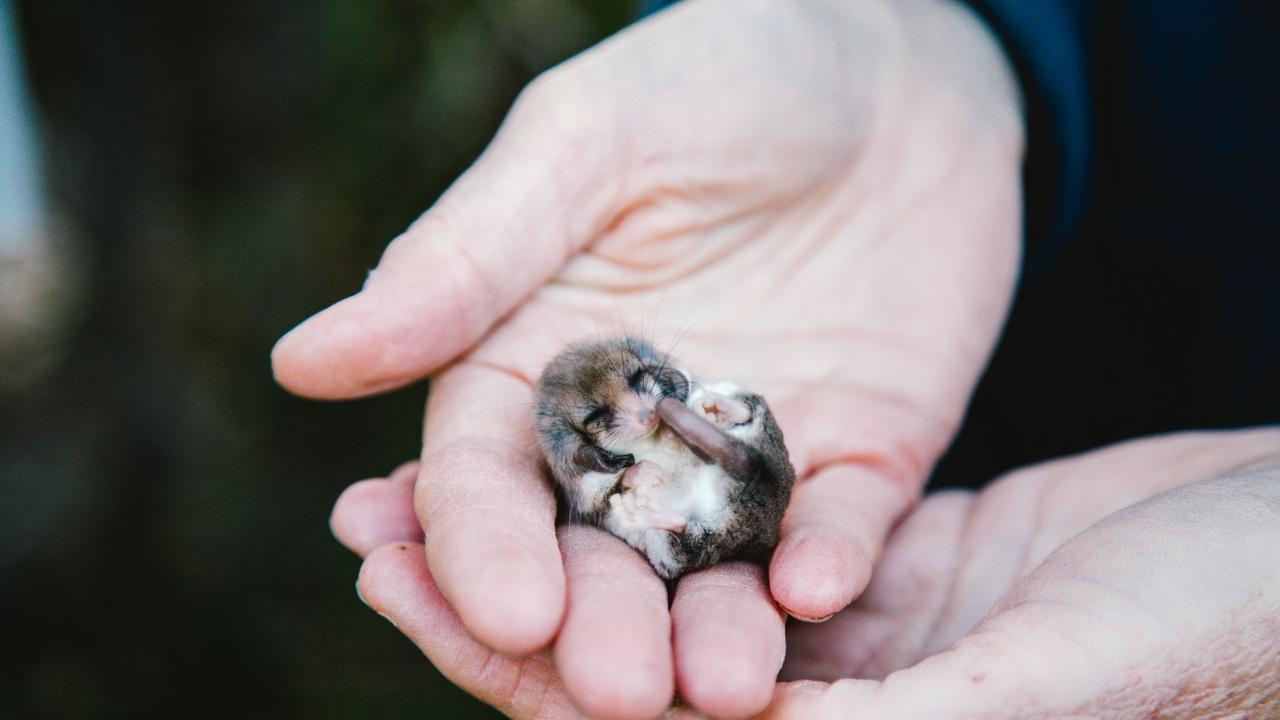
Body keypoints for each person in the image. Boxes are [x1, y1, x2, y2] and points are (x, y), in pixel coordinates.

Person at [272, 0, 1280, 717]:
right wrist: (919, 29)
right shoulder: (606, 444)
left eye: (654, 391)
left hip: (1010, 478)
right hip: (979, 401)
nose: (663, 407)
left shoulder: (670, 426)